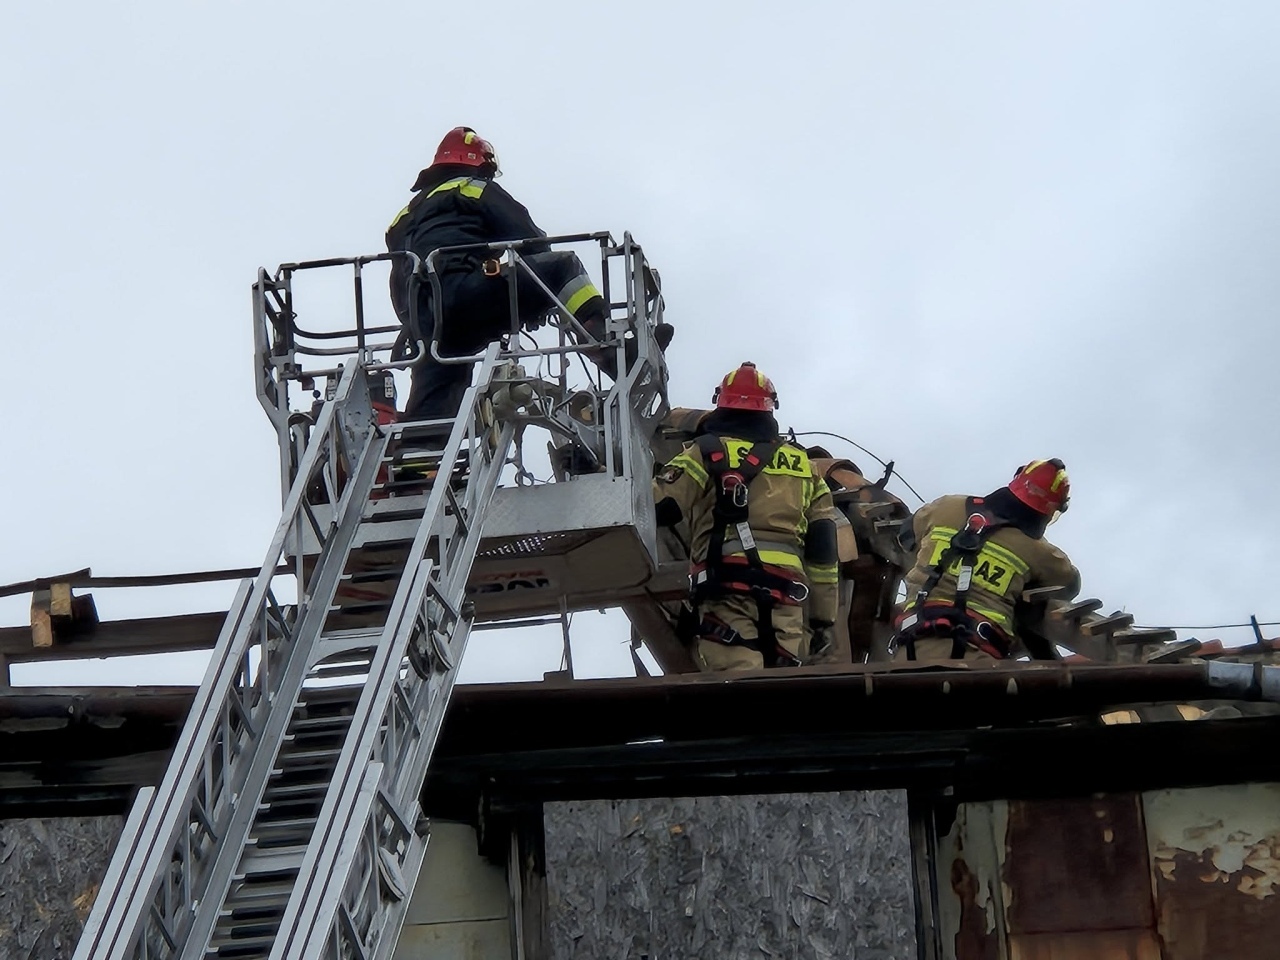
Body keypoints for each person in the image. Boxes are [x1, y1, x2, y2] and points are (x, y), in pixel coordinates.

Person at [386, 126, 670, 420]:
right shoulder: (474, 188)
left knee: (434, 402)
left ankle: (419, 456)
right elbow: (531, 243)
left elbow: (398, 279)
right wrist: (535, 295)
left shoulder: (404, 217)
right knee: (562, 267)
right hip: (467, 293)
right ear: (476, 161)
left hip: (426, 321)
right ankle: (611, 350)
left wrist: (413, 323)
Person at [653, 362, 841, 671]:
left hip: (726, 593)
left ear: (721, 405)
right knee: (782, 687)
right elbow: (823, 554)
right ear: (769, 410)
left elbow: (661, 508)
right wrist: (823, 619)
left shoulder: (704, 452)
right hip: (786, 598)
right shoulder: (805, 467)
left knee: (739, 689)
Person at [891, 459, 1081, 663]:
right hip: (978, 664)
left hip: (909, 651)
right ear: (1050, 509)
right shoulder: (1040, 552)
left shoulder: (946, 507)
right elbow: (1070, 585)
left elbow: (906, 536)